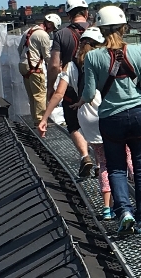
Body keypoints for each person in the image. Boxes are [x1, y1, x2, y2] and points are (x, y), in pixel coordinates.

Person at [81, 5, 141, 234]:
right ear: (124, 27)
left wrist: (78, 103)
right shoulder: (138, 51)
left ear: (101, 30)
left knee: (116, 167)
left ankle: (124, 211)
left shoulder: (92, 57)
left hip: (111, 117)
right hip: (140, 115)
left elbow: (89, 92)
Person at [39, 28, 114, 214]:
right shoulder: (104, 61)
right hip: (108, 113)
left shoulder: (70, 66)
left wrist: (45, 117)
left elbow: (59, 94)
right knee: (128, 158)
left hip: (86, 117)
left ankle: (107, 208)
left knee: (103, 162)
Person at [49, 0, 95, 176]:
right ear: (86, 13)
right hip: (95, 86)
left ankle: (85, 155)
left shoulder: (62, 35)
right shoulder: (96, 31)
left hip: (70, 88)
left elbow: (53, 65)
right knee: (96, 124)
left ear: (68, 15)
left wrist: (51, 87)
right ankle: (101, 162)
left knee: (74, 125)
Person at [21, 12, 55, 123]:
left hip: (23, 65)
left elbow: (19, 49)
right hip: (35, 67)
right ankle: (41, 121)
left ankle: (35, 119)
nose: (51, 31)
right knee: (40, 95)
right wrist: (55, 68)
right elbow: (47, 57)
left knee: (32, 96)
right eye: (52, 28)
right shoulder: (43, 35)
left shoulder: (27, 32)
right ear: (49, 24)